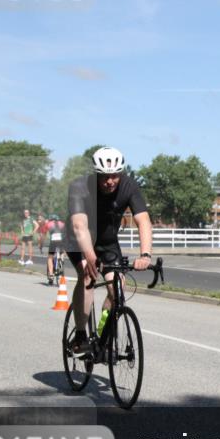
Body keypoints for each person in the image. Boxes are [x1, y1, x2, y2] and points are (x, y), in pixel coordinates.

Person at [66, 146, 154, 359]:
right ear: (97, 174)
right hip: (79, 241)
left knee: (118, 288)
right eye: (105, 176)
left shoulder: (129, 186)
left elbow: (143, 220)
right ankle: (80, 335)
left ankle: (105, 333)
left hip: (107, 242)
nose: (110, 181)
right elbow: (79, 226)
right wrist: (89, 256)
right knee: (87, 275)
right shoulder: (79, 187)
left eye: (114, 176)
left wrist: (145, 255)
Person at [45, 214, 66, 285]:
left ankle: (51, 275)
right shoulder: (62, 224)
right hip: (61, 240)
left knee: (50, 257)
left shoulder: (49, 224)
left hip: (53, 240)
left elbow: (46, 234)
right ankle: (61, 261)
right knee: (62, 252)